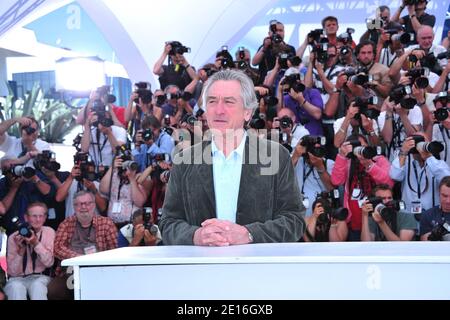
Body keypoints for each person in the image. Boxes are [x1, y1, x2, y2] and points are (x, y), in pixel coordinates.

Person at [159, 69, 305, 245]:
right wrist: (195, 236)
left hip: (257, 269)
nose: (219, 110)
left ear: (248, 112)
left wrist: (250, 234)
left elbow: (294, 220)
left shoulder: (276, 156)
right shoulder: (184, 160)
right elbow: (168, 223)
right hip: (201, 269)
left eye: (229, 102)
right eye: (212, 101)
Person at [48, 190, 117, 299]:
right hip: (70, 270)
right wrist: (79, 258)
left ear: (94, 205)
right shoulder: (66, 224)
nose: (83, 207)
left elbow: (114, 250)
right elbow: (57, 248)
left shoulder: (107, 223)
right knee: (54, 290)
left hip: (99, 269)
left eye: (87, 203)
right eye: (79, 204)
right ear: (74, 207)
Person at [3, 202, 55, 300]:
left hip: (40, 277)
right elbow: (12, 272)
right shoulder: (14, 237)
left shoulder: (49, 232)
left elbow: (49, 263)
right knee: (15, 287)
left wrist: (36, 243)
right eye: (34, 216)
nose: (38, 219)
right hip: (17, 278)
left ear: (45, 218)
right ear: (26, 217)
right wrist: (20, 251)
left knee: (37, 286)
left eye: (41, 216)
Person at [420, 176, 450, 240]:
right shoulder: (428, 215)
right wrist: (433, 236)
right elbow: (424, 241)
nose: (448, 201)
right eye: (445, 196)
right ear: (439, 193)